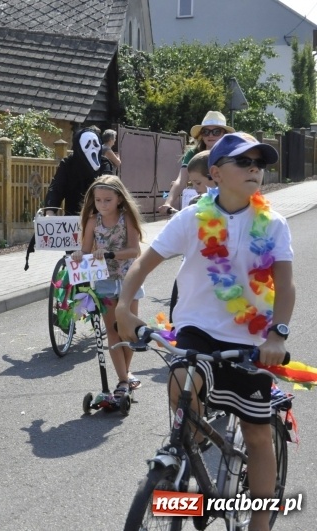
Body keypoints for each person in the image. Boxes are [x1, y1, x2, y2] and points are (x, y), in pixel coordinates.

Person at [116, 133, 295, 531]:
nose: (254, 168)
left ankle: (260, 523)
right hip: (196, 328)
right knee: (181, 382)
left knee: (256, 434)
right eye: (243, 162)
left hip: (252, 340)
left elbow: (286, 286)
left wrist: (277, 335)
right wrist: (125, 306)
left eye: (259, 163)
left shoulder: (274, 224)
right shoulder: (192, 218)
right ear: (214, 173)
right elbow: (143, 264)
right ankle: (185, 462)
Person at [70, 175, 144, 396]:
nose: (102, 205)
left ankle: (126, 373)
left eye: (108, 200)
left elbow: (135, 250)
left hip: (129, 278)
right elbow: (85, 250)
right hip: (104, 281)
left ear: (120, 199)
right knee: (112, 331)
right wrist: (78, 255)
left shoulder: (127, 218)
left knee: (128, 331)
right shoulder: (93, 221)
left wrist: (111, 253)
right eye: (98, 200)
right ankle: (123, 381)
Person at [168, 150, 218, 321]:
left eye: (198, 183)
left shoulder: (198, 203)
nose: (196, 189)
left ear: (215, 177)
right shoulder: (195, 204)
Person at [158, 111, 234, 215]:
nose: (210, 135)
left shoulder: (232, 154)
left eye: (216, 131)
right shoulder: (193, 153)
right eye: (205, 132)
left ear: (224, 134)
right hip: (195, 202)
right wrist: (168, 203)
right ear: (201, 134)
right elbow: (181, 180)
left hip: (224, 204)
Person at [44, 127, 102, 215]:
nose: (92, 148)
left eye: (95, 144)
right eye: (88, 144)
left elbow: (110, 190)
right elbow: (56, 188)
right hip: (72, 219)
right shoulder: (68, 164)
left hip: (101, 219)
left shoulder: (104, 164)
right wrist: (50, 211)